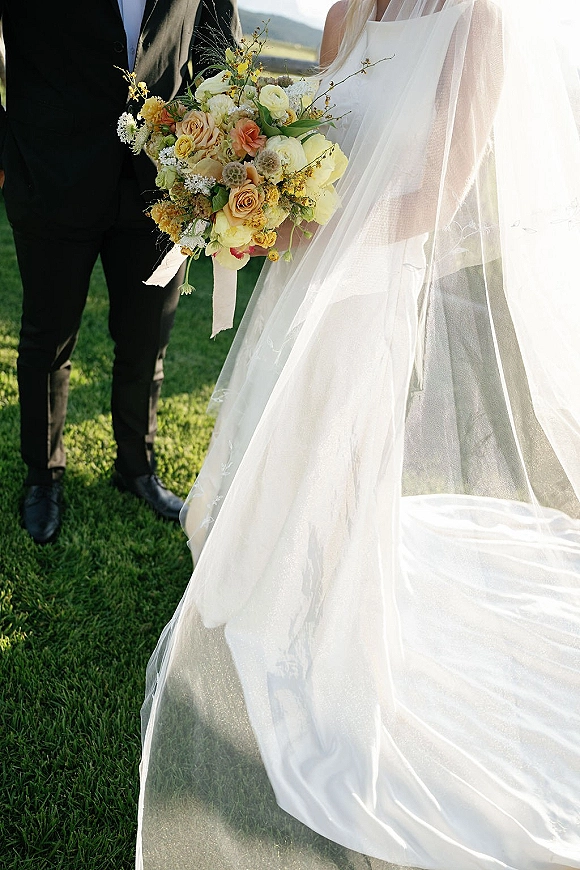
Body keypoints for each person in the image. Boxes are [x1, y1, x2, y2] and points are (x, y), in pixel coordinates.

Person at [136, 1, 580, 869]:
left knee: (335, 459)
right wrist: (242, 165)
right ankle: (267, 591)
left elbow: (437, 193)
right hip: (299, 275)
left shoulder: (475, 24)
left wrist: (314, 232)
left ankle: (329, 630)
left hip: (369, 289)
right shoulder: (344, 16)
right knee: (276, 437)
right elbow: (311, 129)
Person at [0, 0, 240, 544]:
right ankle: (44, 477)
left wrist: (221, 153)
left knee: (145, 340)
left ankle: (136, 469)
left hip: (162, 180)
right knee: (47, 338)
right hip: (49, 172)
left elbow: (216, 48)